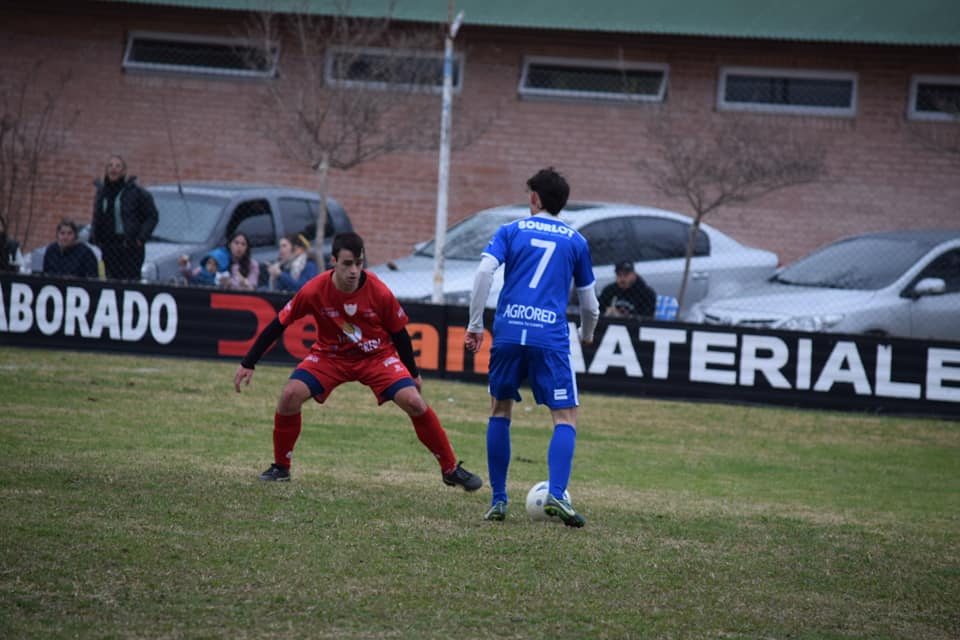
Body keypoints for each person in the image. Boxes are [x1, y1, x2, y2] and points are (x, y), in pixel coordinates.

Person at [233, 231, 482, 492]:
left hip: (376, 356)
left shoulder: (378, 291)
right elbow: (278, 323)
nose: (354, 271)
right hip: (330, 356)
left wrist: (413, 373)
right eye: (347, 264)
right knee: (289, 396)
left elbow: (399, 334)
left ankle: (450, 469)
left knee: (415, 402)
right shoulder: (315, 289)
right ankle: (281, 468)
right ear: (333, 262)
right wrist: (249, 362)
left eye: (359, 263)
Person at [465, 167, 600, 527]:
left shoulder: (510, 231)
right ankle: (557, 492)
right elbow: (590, 304)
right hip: (549, 336)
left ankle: (498, 500)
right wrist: (587, 333)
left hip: (509, 332)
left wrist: (476, 324)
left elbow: (483, 273)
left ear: (535, 199)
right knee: (565, 417)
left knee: (499, 409)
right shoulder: (576, 241)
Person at [90, 154, 159, 281]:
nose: (113, 169)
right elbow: (96, 217)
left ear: (124, 171)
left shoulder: (136, 192)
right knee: (110, 281)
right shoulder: (102, 192)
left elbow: (152, 216)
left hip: (129, 247)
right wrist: (95, 237)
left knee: (129, 281)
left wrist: (141, 238)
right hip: (108, 247)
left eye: (118, 166)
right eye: (110, 165)